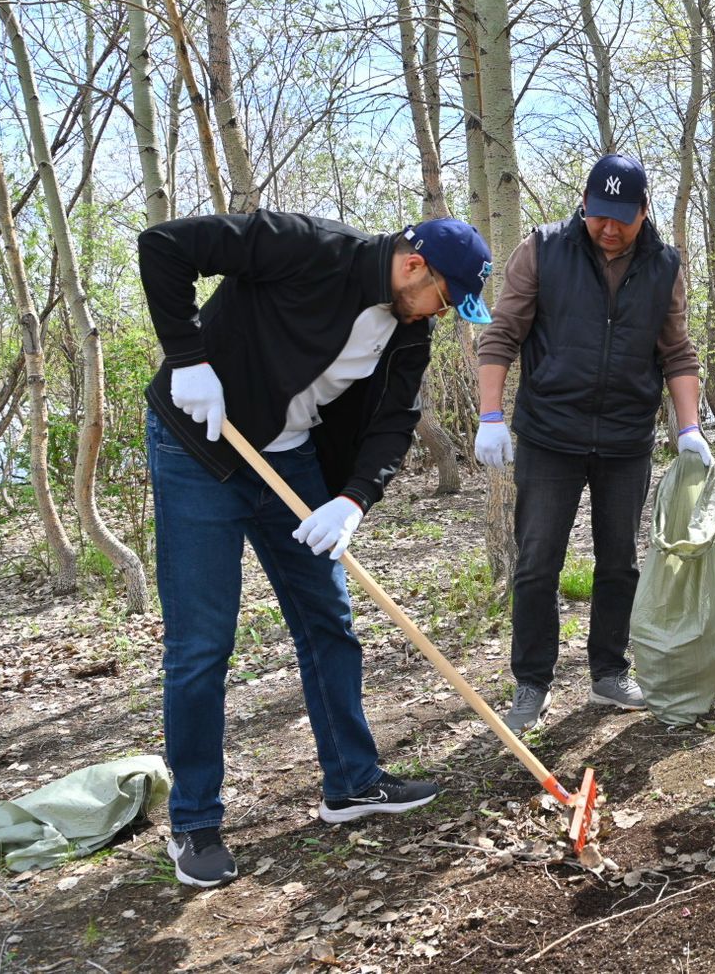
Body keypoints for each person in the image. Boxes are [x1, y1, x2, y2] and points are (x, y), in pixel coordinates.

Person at [140, 211, 491, 888]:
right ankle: (195, 821)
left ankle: (352, 782)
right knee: (202, 643)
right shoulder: (308, 247)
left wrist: (353, 500)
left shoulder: (408, 330)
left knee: (329, 620)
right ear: (414, 266)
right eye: (444, 299)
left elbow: (394, 420)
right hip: (198, 448)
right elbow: (164, 245)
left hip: (290, 462)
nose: (440, 315)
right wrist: (187, 358)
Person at [473, 154, 708, 735]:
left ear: (643, 211)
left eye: (621, 217)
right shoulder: (543, 249)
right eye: (599, 214)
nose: (608, 227)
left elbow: (677, 352)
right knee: (537, 562)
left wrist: (689, 428)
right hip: (549, 435)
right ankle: (532, 681)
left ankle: (608, 672)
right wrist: (490, 415)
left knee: (620, 561)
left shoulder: (664, 265)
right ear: (583, 204)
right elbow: (502, 334)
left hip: (626, 438)